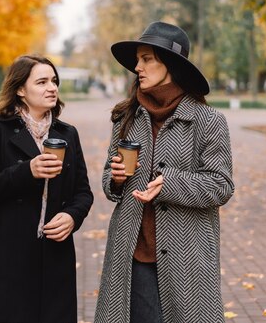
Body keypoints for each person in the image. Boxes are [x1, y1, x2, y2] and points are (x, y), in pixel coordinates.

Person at [94, 22, 234, 323]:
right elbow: (108, 181)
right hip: (133, 253)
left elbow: (221, 185)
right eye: (137, 60)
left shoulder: (207, 120)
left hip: (188, 257)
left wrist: (169, 183)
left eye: (146, 59)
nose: (137, 66)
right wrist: (115, 178)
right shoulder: (126, 116)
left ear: (169, 64)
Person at [0, 54, 93, 323]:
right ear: (21, 90)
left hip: (55, 256)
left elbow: (83, 192)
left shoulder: (67, 134)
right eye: (42, 82)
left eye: (54, 81)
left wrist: (73, 216)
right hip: (8, 257)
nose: (52, 88)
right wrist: (27, 171)